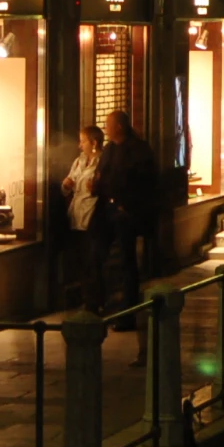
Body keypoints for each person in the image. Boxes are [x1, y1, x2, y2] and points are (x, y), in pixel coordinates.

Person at [94, 110, 158, 320]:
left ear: (119, 127)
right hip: (107, 209)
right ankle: (104, 302)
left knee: (126, 260)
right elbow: (103, 174)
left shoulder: (138, 150)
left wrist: (128, 205)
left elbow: (147, 183)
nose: (106, 128)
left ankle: (127, 310)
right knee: (100, 255)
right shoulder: (109, 149)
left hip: (127, 213)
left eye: (108, 124)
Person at [60, 126, 105, 307]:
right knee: (80, 262)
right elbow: (67, 188)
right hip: (76, 218)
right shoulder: (79, 161)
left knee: (93, 261)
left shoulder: (102, 162)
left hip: (93, 217)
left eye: (83, 141)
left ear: (94, 143)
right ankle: (85, 299)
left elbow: (106, 188)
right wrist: (66, 185)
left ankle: (95, 302)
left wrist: (97, 188)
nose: (80, 145)